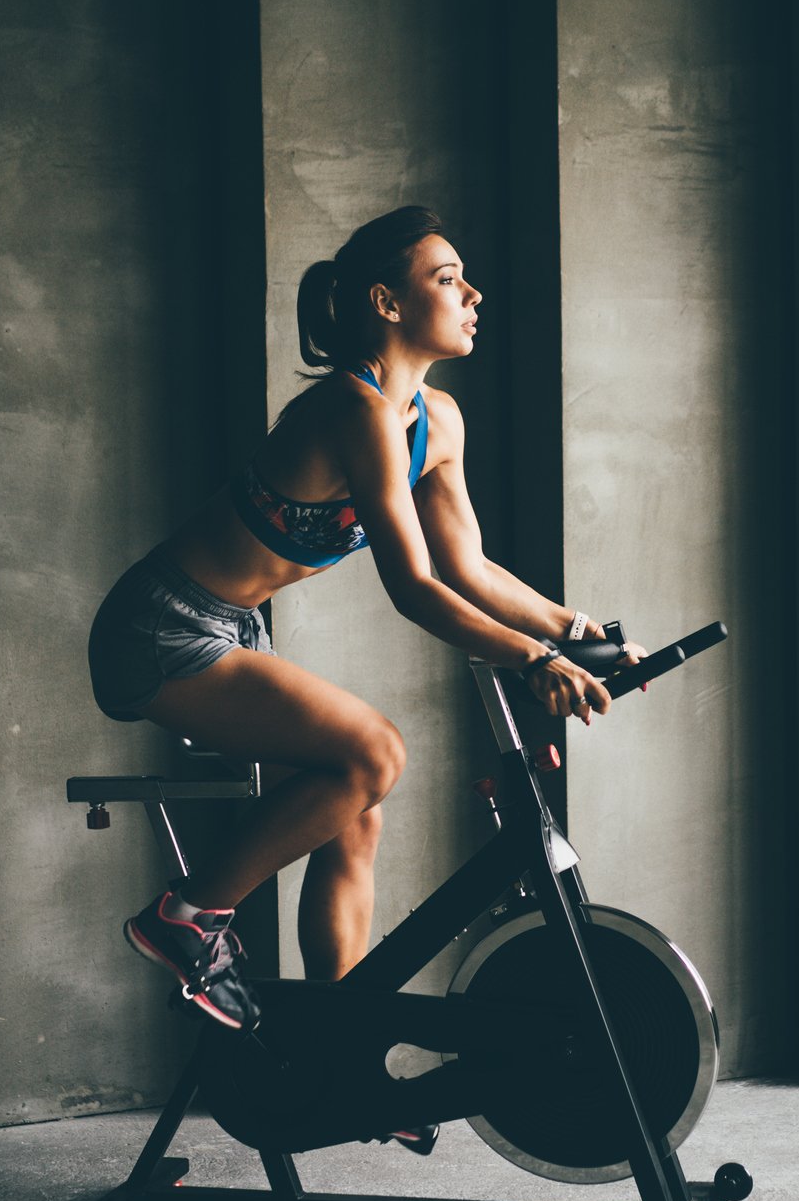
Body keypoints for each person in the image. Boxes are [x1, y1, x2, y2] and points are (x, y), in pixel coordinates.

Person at [88, 205, 632, 1038]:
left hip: (234, 630)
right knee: (375, 752)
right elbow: (412, 586)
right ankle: (187, 919)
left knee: (353, 804)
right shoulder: (354, 409)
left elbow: (467, 568)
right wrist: (531, 660)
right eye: (448, 279)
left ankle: (341, 1042)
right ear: (387, 302)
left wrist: (573, 631)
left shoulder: (436, 421)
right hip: (159, 628)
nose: (473, 293)